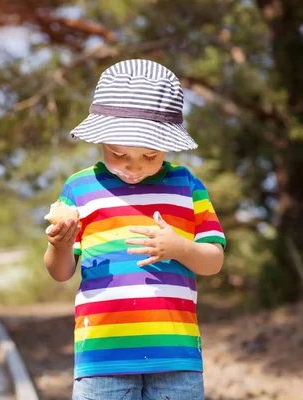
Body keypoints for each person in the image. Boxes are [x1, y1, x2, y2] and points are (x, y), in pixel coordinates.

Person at [44, 59, 226, 400]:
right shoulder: (80, 188)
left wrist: (180, 248)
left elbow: (213, 260)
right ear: (100, 141)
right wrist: (60, 246)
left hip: (175, 357)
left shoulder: (187, 187)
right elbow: (61, 272)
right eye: (118, 153)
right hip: (101, 358)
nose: (133, 166)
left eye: (150, 155)